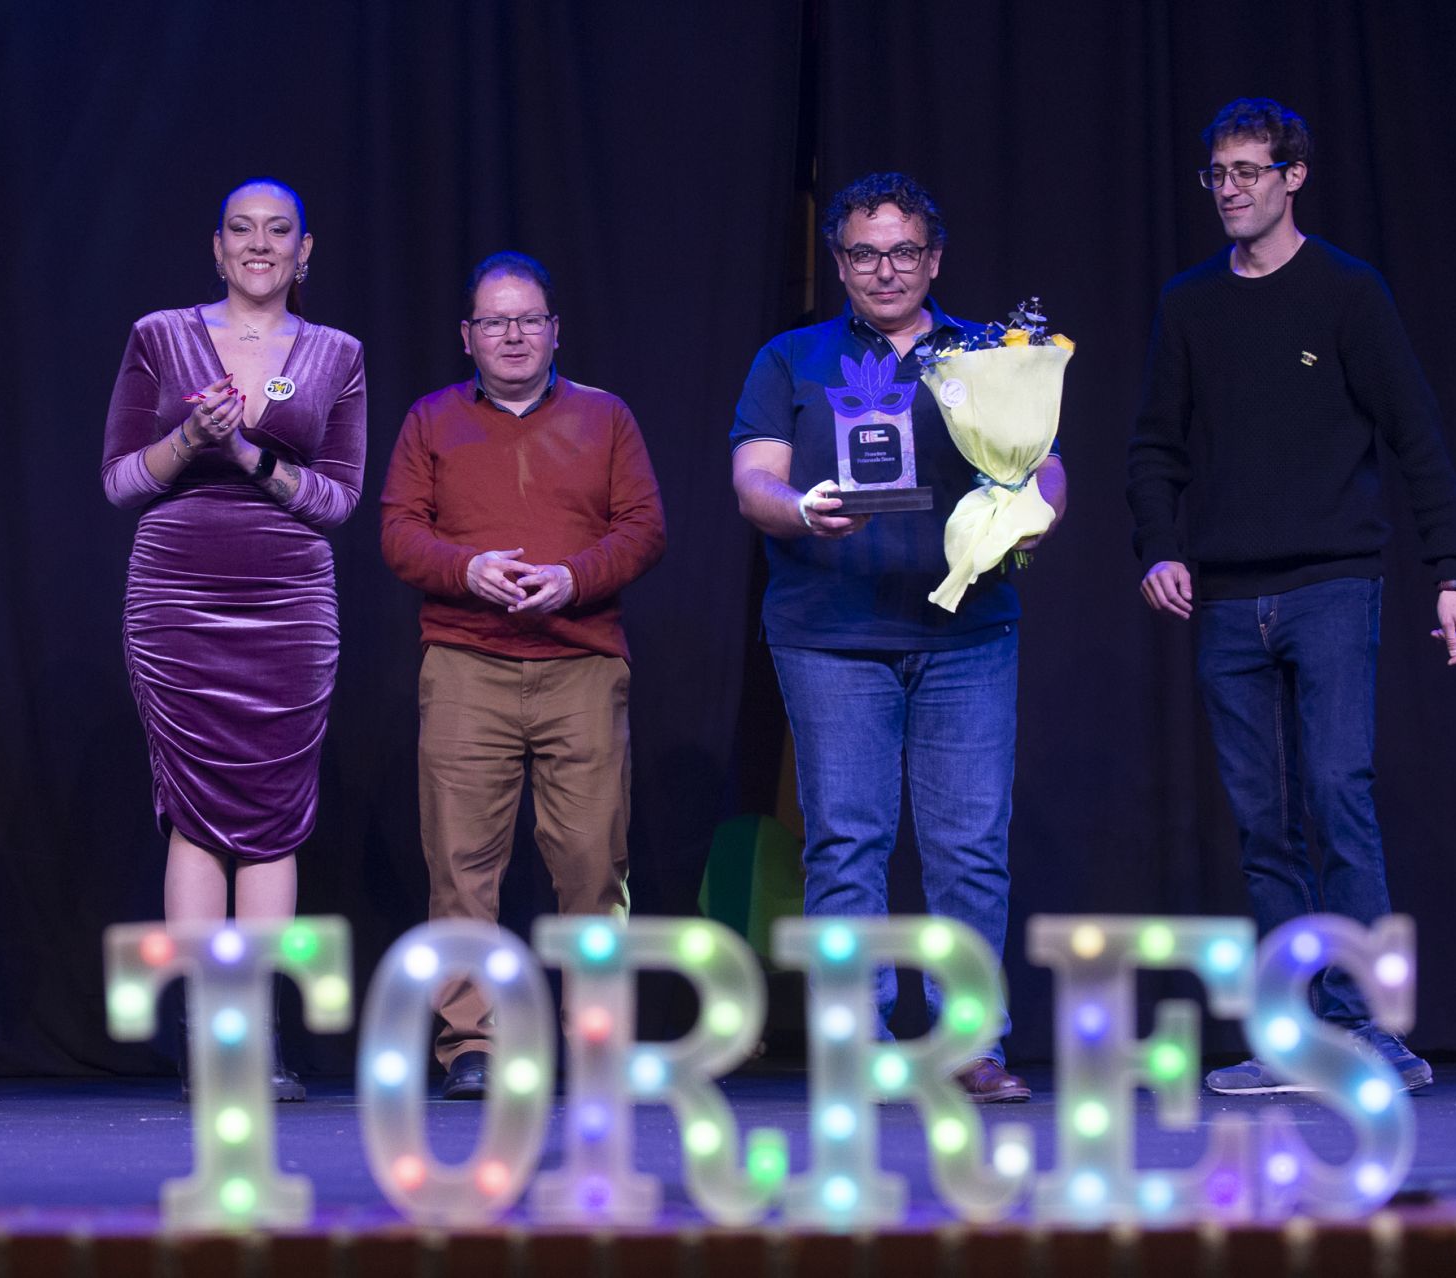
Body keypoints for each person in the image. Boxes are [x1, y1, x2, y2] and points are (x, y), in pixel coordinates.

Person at [1127, 99, 1456, 1095]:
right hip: (1229, 599)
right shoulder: (1190, 303)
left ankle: (1368, 1025)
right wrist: (1159, 547)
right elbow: (1154, 444)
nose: (1230, 190)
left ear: (1293, 177)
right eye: (1218, 174)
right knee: (1261, 818)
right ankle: (1294, 1036)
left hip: (1331, 583)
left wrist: (1449, 573)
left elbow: (1415, 434)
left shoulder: (1346, 293)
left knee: (1337, 794)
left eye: (1248, 171)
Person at [730, 173, 1066, 1103]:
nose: (886, 270)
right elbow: (753, 479)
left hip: (966, 633)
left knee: (967, 845)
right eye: (865, 253)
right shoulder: (790, 357)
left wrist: (1033, 518)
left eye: (904, 252)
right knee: (845, 841)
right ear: (840, 262)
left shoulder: (987, 355)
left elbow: (1046, 468)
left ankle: (968, 1044)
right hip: (830, 633)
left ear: (934, 259)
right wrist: (798, 509)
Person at [101, 177, 366, 1101]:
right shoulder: (159, 336)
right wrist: (189, 440)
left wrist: (249, 451)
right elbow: (121, 482)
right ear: (216, 247)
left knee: (273, 814)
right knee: (192, 810)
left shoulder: (338, 354)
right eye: (242, 230)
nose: (260, 245)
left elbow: (338, 500)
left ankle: (255, 1037)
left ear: (305, 251)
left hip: (289, 602)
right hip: (176, 597)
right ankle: (208, 1038)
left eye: (279, 231)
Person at [379, 252, 666, 1100]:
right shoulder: (429, 420)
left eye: (528, 319)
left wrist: (573, 578)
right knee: (461, 866)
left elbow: (645, 527)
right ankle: (472, 1045)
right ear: (467, 336)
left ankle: (596, 1042)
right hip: (466, 663)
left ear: (554, 331)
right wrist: (467, 570)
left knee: (590, 862)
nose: (512, 334)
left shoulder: (606, 417)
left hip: (580, 663)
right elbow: (397, 532)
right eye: (495, 321)